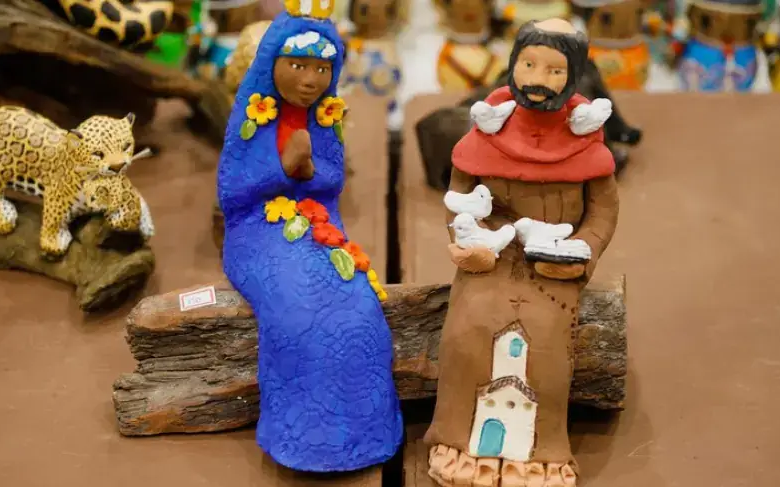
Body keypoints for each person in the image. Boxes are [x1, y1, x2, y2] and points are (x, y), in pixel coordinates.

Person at [425, 18, 620, 487]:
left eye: (554, 70)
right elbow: (460, 197)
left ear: (573, 76)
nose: (538, 80)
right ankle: (458, 440)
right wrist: (467, 241)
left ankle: (541, 452)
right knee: (468, 326)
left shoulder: (584, 138)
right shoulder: (488, 129)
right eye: (528, 64)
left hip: (553, 261)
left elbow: (602, 212)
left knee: (546, 336)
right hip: (493, 256)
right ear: (512, 64)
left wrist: (583, 253)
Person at [216, 0, 403, 472]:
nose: (311, 80)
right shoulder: (253, 115)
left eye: (322, 68)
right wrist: (283, 166)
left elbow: (332, 177)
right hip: (257, 231)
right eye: (298, 65)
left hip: (316, 222)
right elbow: (233, 191)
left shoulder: (325, 115)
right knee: (297, 312)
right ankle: (303, 439)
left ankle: (364, 436)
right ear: (272, 63)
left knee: (359, 307)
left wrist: (307, 168)